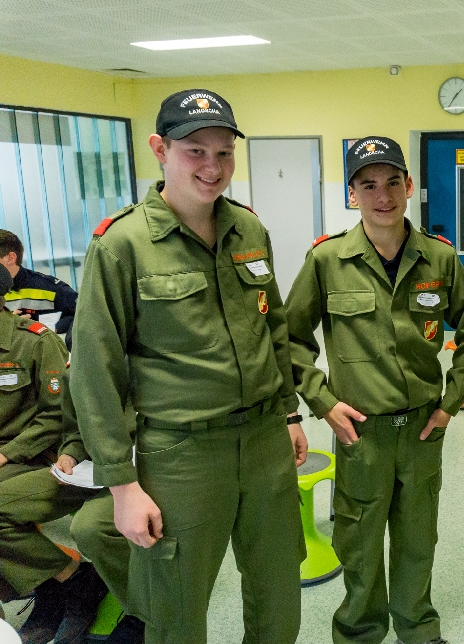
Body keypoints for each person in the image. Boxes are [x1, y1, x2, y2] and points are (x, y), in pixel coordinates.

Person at [70, 89, 308, 644]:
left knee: (278, 591)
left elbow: (272, 329)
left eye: (224, 152)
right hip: (182, 454)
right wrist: (122, 485)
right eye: (195, 151)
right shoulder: (122, 245)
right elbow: (95, 371)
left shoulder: (248, 229)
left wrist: (290, 413)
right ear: (160, 149)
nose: (212, 166)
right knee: (175, 610)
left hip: (264, 441)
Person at [285, 136, 464, 644]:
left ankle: (418, 627)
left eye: (393, 182)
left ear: (409, 186)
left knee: (418, 538)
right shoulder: (327, 260)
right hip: (362, 433)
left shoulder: (439, 259)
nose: (383, 196)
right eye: (369, 185)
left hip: (422, 429)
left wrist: (449, 405)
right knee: (359, 540)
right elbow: (289, 339)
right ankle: (359, 631)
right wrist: (322, 403)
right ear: (352, 193)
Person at [0, 265, 108, 644]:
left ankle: (75, 581)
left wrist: (7, 454)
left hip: (43, 456)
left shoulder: (33, 341)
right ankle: (44, 592)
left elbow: (57, 416)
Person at [1, 366, 138, 644]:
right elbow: (75, 429)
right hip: (90, 467)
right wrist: (70, 455)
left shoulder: (151, 361)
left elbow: (51, 418)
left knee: (89, 528)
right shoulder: (81, 367)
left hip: (146, 463)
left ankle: (142, 610)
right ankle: (65, 583)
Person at [0, 230, 78, 347]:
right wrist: (8, 324)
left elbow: (83, 313)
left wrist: (55, 328)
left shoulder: (49, 287)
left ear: (11, 258)